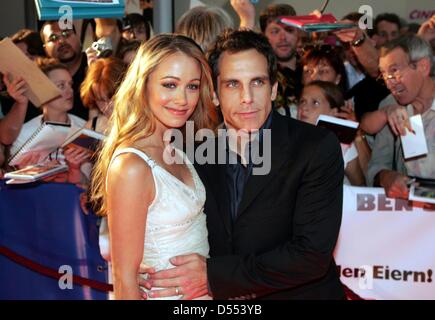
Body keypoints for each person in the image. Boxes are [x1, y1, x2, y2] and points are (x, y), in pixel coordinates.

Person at [141, 29, 345, 300]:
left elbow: (310, 256)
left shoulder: (315, 147)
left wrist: (218, 277)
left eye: (257, 82)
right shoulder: (192, 152)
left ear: (273, 89)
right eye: (232, 84)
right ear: (214, 94)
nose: (247, 97)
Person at [90, 34, 218, 300]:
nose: (183, 99)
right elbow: (124, 279)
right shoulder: (132, 166)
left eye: (192, 86)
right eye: (170, 85)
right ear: (143, 84)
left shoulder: (176, 146)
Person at [367, 35, 435, 198]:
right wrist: (386, 178)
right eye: (383, 73)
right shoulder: (390, 105)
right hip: (408, 215)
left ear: (423, 67)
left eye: (394, 70)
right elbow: (377, 166)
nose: (389, 81)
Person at [9, 58, 90, 184]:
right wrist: (27, 172)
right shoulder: (23, 134)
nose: (70, 91)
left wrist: (74, 171)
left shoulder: (84, 129)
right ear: (42, 91)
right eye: (61, 85)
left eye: (70, 84)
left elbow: (88, 184)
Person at [297, 81, 366, 185]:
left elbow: (360, 185)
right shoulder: (286, 138)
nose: (304, 108)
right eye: (302, 101)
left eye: (315, 103)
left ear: (333, 113)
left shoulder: (341, 146)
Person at [40, 21, 89, 120]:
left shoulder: (96, 66)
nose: (61, 41)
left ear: (78, 38)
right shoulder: (42, 79)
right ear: (45, 48)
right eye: (53, 38)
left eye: (66, 33)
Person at [80, 57, 126, 134]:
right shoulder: (91, 128)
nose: (107, 106)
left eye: (112, 98)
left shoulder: (147, 124)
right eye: (100, 100)